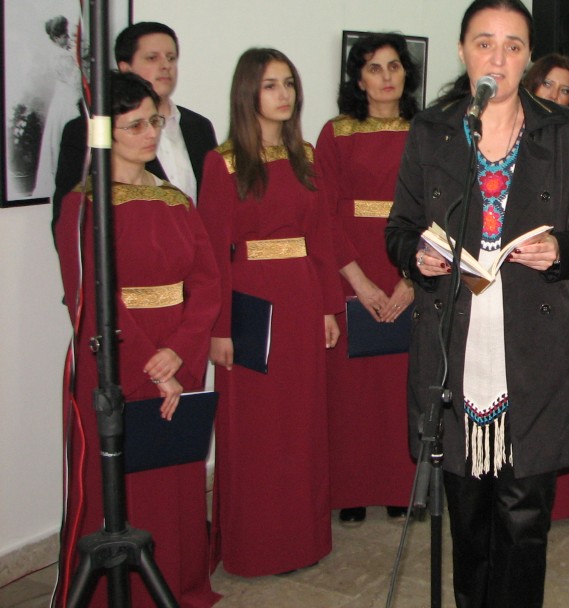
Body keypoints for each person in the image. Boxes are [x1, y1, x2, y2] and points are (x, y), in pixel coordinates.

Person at [385, 0, 569, 608]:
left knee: (522, 521)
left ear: (528, 58)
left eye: (513, 46)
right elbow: (399, 227)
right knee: (467, 521)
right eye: (484, 43)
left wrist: (562, 250)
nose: (497, 57)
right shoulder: (432, 130)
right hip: (455, 343)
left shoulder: (562, 130)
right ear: (463, 51)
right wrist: (416, 256)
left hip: (535, 346)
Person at [54, 71, 220, 608]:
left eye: (154, 121)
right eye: (135, 125)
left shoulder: (175, 199)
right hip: (117, 359)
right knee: (125, 482)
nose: (150, 133)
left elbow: (206, 282)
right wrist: (154, 363)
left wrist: (180, 352)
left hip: (180, 355)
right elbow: (91, 298)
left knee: (175, 476)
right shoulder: (83, 204)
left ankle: (178, 581)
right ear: (103, 132)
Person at [199, 48, 343, 577]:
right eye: (270, 85)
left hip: (303, 300)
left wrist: (329, 308)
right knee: (256, 430)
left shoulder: (306, 156)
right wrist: (218, 330)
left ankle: (303, 539)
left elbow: (321, 240)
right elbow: (211, 255)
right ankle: (256, 546)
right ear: (248, 94)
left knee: (302, 426)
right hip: (251, 306)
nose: (284, 95)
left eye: (289, 84)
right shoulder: (223, 162)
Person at [315, 33, 420, 523]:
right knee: (352, 392)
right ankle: (351, 490)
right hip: (351, 269)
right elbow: (323, 214)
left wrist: (411, 279)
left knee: (401, 385)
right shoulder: (336, 134)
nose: (385, 77)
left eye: (394, 66)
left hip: (410, 269)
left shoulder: (426, 132)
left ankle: (401, 486)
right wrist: (359, 282)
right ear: (358, 79)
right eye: (374, 68)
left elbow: (441, 208)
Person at [54, 22, 217, 229]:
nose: (165, 66)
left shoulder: (199, 127)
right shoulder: (90, 129)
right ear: (126, 68)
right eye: (152, 58)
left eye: (171, 58)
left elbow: (213, 210)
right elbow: (69, 221)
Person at [522, 53, 569, 521]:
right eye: (547, 85)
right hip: (504, 280)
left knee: (552, 395)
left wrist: (561, 248)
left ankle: (550, 500)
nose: (555, 96)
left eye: (566, 90)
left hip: (553, 278)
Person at [35, 15, 84, 197]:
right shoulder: (61, 56)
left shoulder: (62, 53)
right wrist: (79, 62)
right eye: (65, 35)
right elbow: (75, 81)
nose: (68, 38)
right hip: (68, 101)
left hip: (64, 99)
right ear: (56, 37)